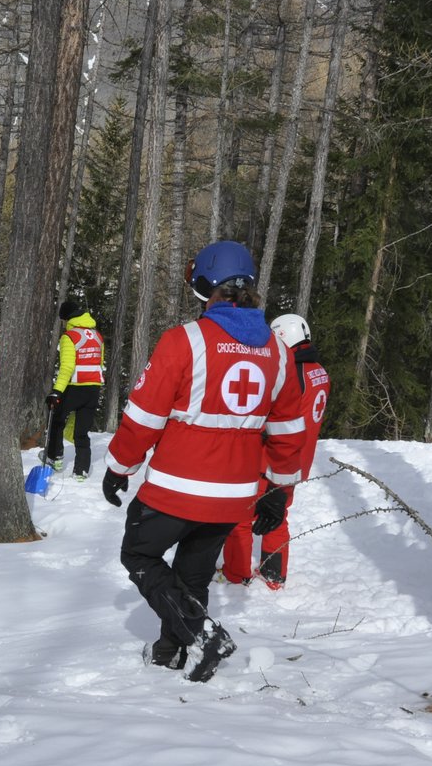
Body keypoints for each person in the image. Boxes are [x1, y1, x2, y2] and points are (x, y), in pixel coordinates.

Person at [101, 241, 307, 683]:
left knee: (138, 554)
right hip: (233, 496)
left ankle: (203, 634)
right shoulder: (278, 351)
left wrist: (119, 466)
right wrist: (276, 489)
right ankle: (169, 653)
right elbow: (290, 431)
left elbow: (144, 417)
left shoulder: (185, 341)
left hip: (177, 486)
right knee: (192, 575)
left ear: (206, 285)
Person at [221, 313, 329, 589]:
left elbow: (275, 416)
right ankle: (274, 575)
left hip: (272, 457)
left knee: (241, 515)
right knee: (278, 515)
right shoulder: (319, 371)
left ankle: (236, 574)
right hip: (296, 461)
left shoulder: (291, 371)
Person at [42, 299, 104, 480]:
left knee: (56, 421)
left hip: (75, 388)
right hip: (93, 390)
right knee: (82, 432)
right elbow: (99, 363)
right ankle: (81, 470)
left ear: (66, 318)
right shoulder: (97, 335)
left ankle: (55, 457)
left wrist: (57, 391)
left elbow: (67, 367)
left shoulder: (70, 337)